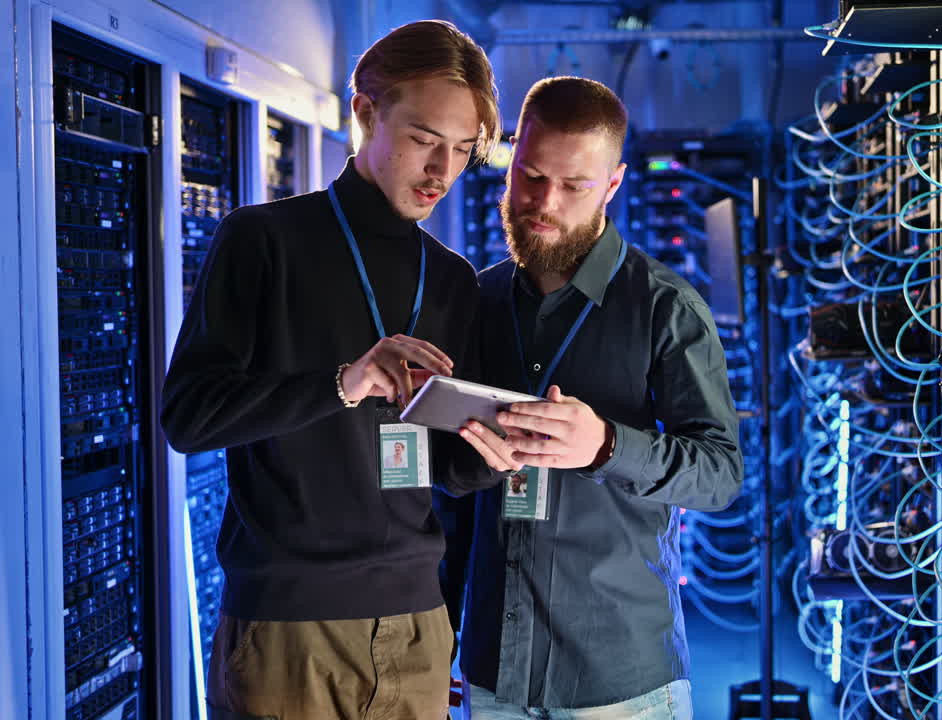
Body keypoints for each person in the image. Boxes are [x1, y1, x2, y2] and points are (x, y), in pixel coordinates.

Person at [161, 20, 500, 720]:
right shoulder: (262, 242)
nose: (442, 171)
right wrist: (344, 383)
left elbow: (446, 467)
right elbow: (188, 418)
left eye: (463, 150)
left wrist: (501, 447)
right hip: (289, 630)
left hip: (417, 626)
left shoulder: (451, 280)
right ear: (366, 111)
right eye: (423, 140)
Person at [458, 76, 744, 719]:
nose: (544, 203)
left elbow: (720, 473)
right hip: (494, 672)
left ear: (613, 185)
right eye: (529, 177)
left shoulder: (665, 308)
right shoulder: (476, 301)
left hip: (619, 684)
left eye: (573, 186)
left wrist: (607, 446)